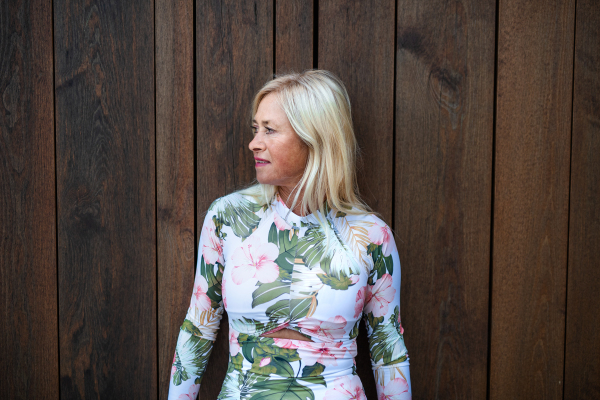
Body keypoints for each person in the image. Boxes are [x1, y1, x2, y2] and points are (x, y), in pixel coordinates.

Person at [168, 70, 411, 400]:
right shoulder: (228, 218)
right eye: (256, 129)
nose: (254, 142)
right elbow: (198, 327)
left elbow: (388, 345)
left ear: (313, 138)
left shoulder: (370, 236)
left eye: (269, 130)